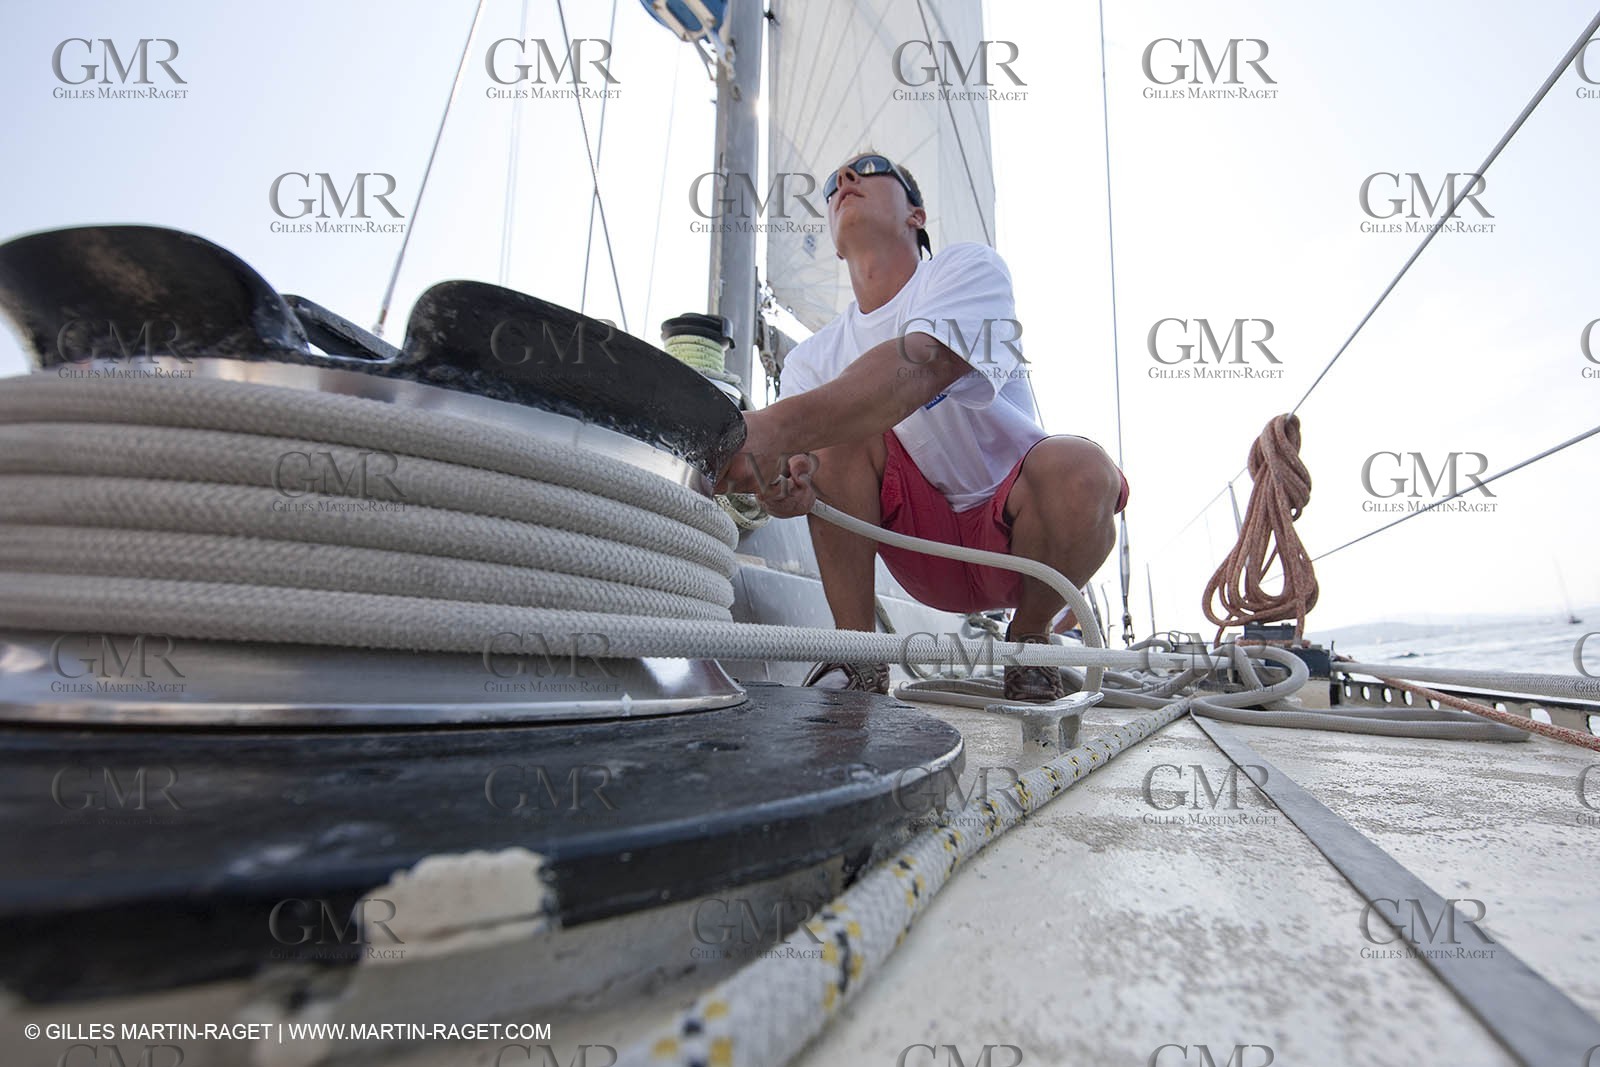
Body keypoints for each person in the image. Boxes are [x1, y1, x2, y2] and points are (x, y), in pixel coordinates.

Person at [716, 150, 1128, 700]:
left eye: (870, 168)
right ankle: (858, 656)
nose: (845, 179)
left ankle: (1029, 643)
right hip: (917, 551)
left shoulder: (969, 270)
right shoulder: (810, 361)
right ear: (834, 242)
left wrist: (768, 429)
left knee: (1084, 470)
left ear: (917, 215)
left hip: (1024, 544)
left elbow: (924, 362)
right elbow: (795, 474)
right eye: (834, 185)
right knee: (829, 433)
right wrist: (785, 489)